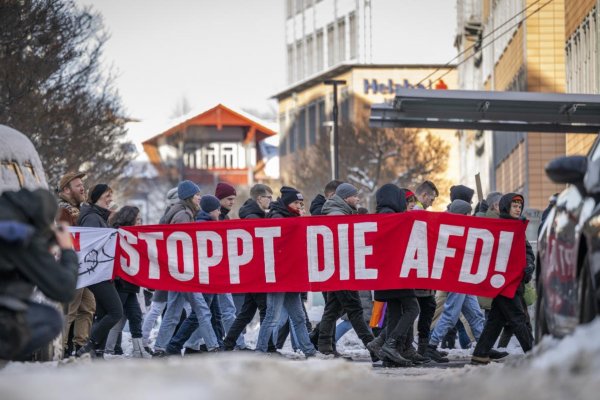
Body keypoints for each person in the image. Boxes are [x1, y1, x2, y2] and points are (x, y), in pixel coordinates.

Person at [424, 200, 508, 362]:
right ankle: (431, 346)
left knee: (475, 314)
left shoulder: (459, 229)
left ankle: (484, 347)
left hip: (464, 276)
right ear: (461, 215)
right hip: (457, 277)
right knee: (451, 313)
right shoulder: (454, 231)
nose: (469, 216)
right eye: (467, 213)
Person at [0, 189, 79, 361]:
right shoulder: (18, 236)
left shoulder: (5, 221)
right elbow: (63, 289)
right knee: (50, 319)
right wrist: (67, 249)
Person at [152, 181, 220, 357]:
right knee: (202, 309)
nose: (200, 198)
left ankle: (160, 348)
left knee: (173, 312)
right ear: (189, 197)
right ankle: (213, 347)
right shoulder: (183, 215)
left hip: (177, 270)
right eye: (197, 195)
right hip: (184, 271)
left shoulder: (182, 212)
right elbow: (184, 246)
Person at [471, 193, 535, 365]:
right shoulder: (498, 226)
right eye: (514, 206)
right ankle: (534, 353)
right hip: (504, 283)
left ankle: (480, 352)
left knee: (496, 320)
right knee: (518, 318)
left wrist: (529, 266)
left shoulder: (519, 227)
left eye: (520, 206)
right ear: (507, 207)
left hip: (515, 281)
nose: (518, 209)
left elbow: (528, 252)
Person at [255, 186, 318, 358]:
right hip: (279, 276)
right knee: (272, 316)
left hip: (291, 276)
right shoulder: (277, 216)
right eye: (296, 202)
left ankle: (309, 350)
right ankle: (260, 350)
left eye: (300, 203)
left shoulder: (292, 216)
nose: (299, 206)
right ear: (287, 203)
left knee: (298, 317)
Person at [367, 184, 423, 366]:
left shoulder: (385, 214)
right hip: (395, 274)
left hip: (388, 275)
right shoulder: (389, 216)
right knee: (412, 308)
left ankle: (383, 346)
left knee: (394, 314)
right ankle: (390, 345)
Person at [317, 183, 375, 359]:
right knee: (355, 309)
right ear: (345, 197)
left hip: (339, 269)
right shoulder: (337, 215)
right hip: (341, 268)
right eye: (355, 195)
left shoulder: (341, 213)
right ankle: (372, 346)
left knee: (333, 309)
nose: (358, 199)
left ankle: (323, 345)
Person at [224, 184, 275, 351]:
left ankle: (228, 343)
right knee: (267, 312)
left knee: (246, 313)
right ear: (259, 198)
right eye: (269, 197)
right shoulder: (253, 218)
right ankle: (269, 347)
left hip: (254, 272)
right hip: (256, 273)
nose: (271, 201)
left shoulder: (255, 215)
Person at [76, 184, 124, 358]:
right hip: (97, 273)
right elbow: (92, 246)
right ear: (96, 197)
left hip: (102, 271)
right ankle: (88, 346)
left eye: (111, 195)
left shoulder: (99, 217)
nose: (110, 199)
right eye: (107, 196)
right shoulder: (92, 218)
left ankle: (98, 353)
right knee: (116, 311)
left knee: (104, 313)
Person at [56, 171, 96, 358]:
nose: (83, 188)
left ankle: (80, 346)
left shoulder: (79, 210)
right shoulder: (62, 211)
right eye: (78, 185)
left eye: (83, 184)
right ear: (66, 190)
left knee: (87, 306)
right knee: (70, 309)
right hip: (72, 267)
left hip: (83, 267)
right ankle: (62, 348)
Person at [103, 206, 152, 359]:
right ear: (129, 218)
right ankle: (107, 349)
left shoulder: (133, 235)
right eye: (137, 219)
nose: (140, 222)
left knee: (135, 315)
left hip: (131, 283)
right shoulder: (119, 234)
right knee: (117, 316)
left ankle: (138, 350)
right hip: (121, 282)